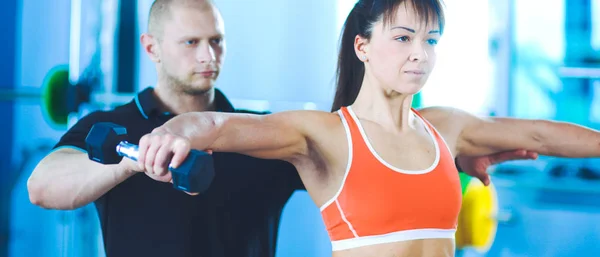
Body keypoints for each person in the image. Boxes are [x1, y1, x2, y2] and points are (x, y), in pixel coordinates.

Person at [27, 0, 535, 256]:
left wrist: (436, 158)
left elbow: (356, 169)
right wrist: (138, 156)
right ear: (151, 47)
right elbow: (43, 186)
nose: (209, 56)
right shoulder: (111, 127)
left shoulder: (257, 134)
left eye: (217, 41)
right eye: (190, 43)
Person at [135, 0, 600, 256]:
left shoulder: (447, 128)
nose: (420, 53)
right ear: (362, 46)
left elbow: (540, 135)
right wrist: (172, 132)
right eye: (402, 38)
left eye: (430, 40)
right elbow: (215, 124)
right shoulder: (326, 135)